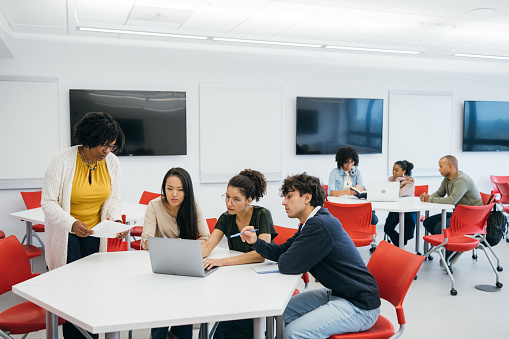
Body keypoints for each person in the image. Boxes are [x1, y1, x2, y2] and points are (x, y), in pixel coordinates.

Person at [239, 173, 380, 339]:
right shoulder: (310, 223)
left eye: (289, 196)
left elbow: (287, 264)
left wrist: (290, 255)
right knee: (276, 314)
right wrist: (256, 242)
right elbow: (282, 252)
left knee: (292, 334)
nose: (284, 202)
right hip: (337, 294)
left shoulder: (319, 225)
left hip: (359, 305)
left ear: (307, 198)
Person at [41, 112, 126, 339]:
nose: (107, 151)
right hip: (65, 233)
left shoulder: (112, 163)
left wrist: (116, 220)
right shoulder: (62, 160)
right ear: (88, 138)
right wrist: (71, 223)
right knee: (74, 291)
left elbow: (114, 199)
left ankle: (92, 335)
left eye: (112, 147)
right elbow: (48, 203)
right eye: (103, 146)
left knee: (92, 289)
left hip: (95, 233)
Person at [201, 169, 277, 339]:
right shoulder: (226, 218)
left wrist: (222, 262)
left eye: (236, 199)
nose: (229, 203)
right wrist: (184, 255)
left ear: (249, 200)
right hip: (237, 278)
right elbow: (207, 247)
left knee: (232, 327)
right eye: (227, 197)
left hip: (260, 281)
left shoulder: (262, 214)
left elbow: (260, 255)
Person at [141, 167, 210, 339]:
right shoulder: (154, 206)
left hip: (187, 266)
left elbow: (205, 238)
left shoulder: (194, 205)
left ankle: (180, 335)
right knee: (161, 305)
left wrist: (184, 245)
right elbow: (145, 241)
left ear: (187, 190)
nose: (174, 194)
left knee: (184, 309)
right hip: (161, 265)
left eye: (180, 190)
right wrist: (172, 245)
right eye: (169, 188)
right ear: (163, 188)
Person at [420, 155, 483, 235]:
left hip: (472, 217)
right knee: (428, 222)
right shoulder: (447, 179)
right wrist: (427, 197)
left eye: (441, 167)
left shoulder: (462, 180)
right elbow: (439, 193)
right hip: (459, 214)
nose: (439, 170)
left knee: (440, 227)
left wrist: (429, 200)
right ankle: (444, 244)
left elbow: (452, 200)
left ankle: (449, 246)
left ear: (450, 166)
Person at [328, 146, 378, 225]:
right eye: (346, 163)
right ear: (341, 161)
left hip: (356, 204)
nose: (349, 165)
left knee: (374, 219)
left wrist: (358, 188)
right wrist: (346, 192)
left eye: (352, 162)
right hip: (340, 205)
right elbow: (331, 193)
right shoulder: (334, 173)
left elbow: (361, 186)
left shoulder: (357, 172)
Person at [384, 160, 416, 247]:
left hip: (409, 208)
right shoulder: (391, 179)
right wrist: (398, 180)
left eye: (396, 170)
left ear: (404, 171)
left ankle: (400, 245)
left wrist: (399, 180)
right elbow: (392, 193)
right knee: (387, 229)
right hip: (396, 208)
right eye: (393, 170)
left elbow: (398, 193)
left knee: (408, 235)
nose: (394, 172)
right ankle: (400, 246)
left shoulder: (411, 181)